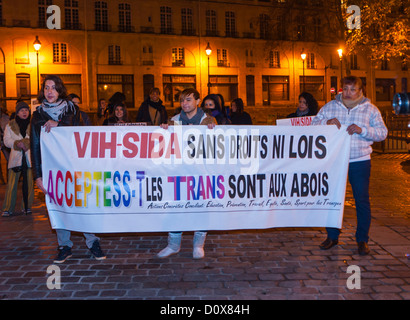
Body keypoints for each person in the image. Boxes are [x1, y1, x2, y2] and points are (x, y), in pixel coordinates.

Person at [30, 75, 106, 263]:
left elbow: (83, 135)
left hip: (75, 168)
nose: (49, 92)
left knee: (81, 203)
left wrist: (60, 125)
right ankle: (64, 245)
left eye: (54, 88)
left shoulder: (73, 110)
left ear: (60, 91)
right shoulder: (38, 115)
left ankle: (92, 242)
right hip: (52, 170)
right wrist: (38, 176)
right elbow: (35, 145)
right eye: (47, 88)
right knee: (58, 205)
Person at [312, 76, 388, 255]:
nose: (348, 93)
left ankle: (362, 239)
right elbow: (314, 124)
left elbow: (382, 133)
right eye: (345, 89)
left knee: (361, 200)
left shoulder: (370, 109)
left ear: (360, 91)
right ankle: (332, 236)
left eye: (352, 89)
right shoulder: (330, 107)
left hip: (359, 161)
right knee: (331, 200)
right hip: (335, 161)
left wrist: (363, 130)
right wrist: (326, 123)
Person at [158, 88, 216, 259]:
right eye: (182, 100)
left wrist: (215, 131)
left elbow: (218, 146)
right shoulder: (174, 121)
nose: (184, 104)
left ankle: (198, 244)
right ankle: (173, 244)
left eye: (189, 100)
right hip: (179, 172)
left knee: (202, 208)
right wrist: (164, 130)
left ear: (198, 101)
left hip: (202, 173)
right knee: (176, 207)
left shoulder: (209, 121)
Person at [2, 102, 33, 216]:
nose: (24, 112)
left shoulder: (33, 124)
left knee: (29, 184)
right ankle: (7, 208)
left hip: (29, 158)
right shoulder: (10, 125)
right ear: (17, 112)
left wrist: (27, 143)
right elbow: (6, 140)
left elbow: (37, 138)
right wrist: (17, 143)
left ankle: (27, 206)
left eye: (26, 110)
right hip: (16, 158)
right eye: (22, 110)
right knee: (11, 184)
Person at [0, 105, 10, 184]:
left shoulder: (6, 118)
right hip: (2, 142)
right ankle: (2, 179)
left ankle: (8, 178)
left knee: (9, 160)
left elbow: (8, 129)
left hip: (4, 143)